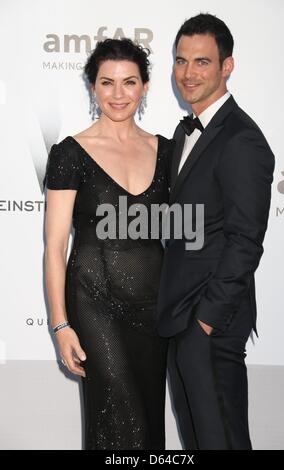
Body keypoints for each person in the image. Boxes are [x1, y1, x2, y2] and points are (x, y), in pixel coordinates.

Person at [43, 38, 172, 450]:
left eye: (129, 82)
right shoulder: (70, 153)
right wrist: (60, 324)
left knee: (149, 418)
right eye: (107, 83)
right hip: (94, 302)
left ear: (145, 87)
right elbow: (55, 243)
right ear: (93, 87)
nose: (119, 95)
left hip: (154, 307)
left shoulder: (168, 151)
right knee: (118, 414)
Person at [157, 13, 275, 449]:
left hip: (210, 322)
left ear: (227, 66)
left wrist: (205, 322)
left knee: (221, 437)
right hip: (180, 316)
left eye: (202, 62)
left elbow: (246, 242)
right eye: (181, 60)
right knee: (197, 439)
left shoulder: (242, 139)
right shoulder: (183, 131)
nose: (188, 73)